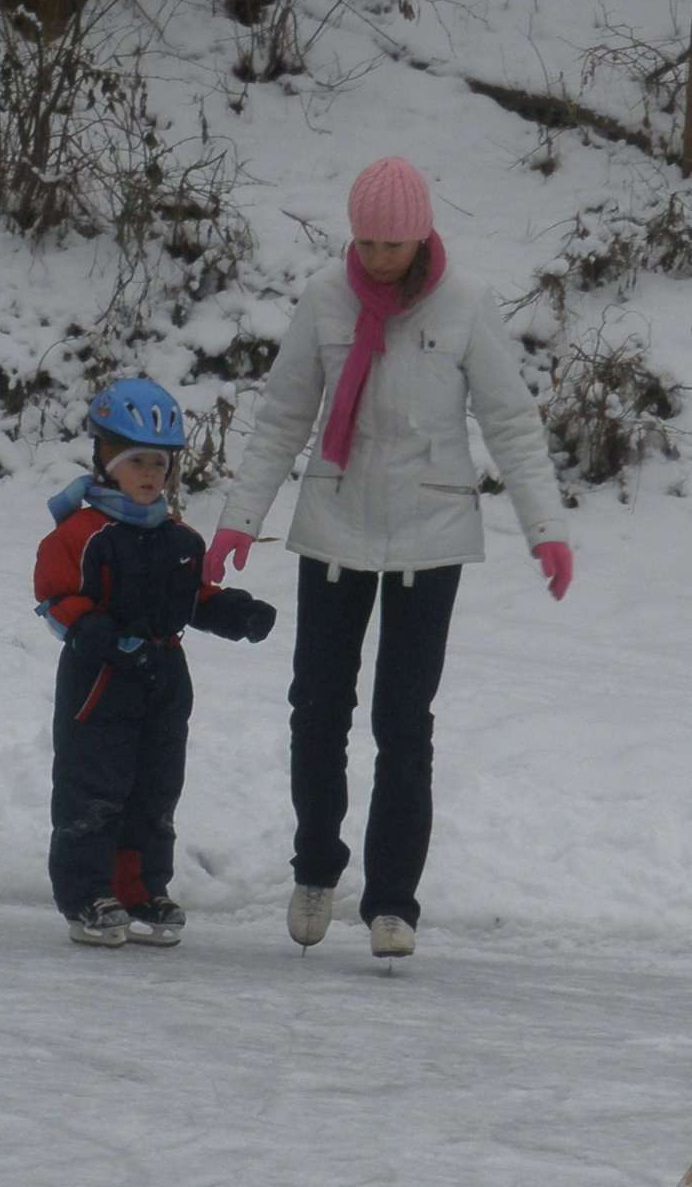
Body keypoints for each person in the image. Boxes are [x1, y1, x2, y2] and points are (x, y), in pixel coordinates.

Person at [202, 156, 573, 959]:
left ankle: (393, 901)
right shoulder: (324, 298)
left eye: (392, 244)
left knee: (403, 723)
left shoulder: (466, 302)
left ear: (421, 236)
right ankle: (315, 869)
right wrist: (239, 521)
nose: (376, 258)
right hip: (335, 526)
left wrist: (544, 526)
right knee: (317, 710)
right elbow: (283, 416)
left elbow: (511, 422)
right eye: (366, 242)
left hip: (430, 537)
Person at [35, 377, 277, 948]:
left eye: (160, 464)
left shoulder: (179, 538)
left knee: (155, 791)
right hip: (101, 683)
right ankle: (87, 894)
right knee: (94, 789)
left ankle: (142, 889)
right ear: (106, 461)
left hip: (164, 682)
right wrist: (95, 631)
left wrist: (234, 613)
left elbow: (193, 598)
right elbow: (56, 598)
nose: (150, 475)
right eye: (137, 462)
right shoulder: (81, 534)